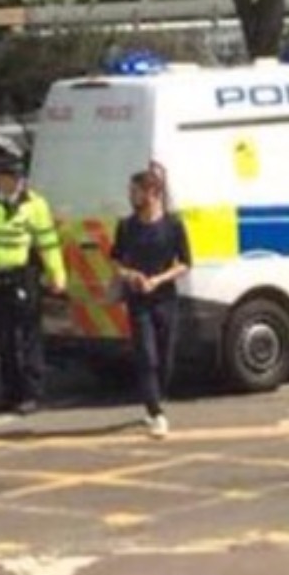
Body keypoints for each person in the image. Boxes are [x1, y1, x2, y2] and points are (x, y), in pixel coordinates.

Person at [0, 156, 66, 415]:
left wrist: (57, 274)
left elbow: (47, 242)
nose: (13, 183)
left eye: (17, 178)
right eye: (7, 177)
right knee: (3, 340)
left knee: (29, 337)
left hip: (22, 277)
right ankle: (10, 392)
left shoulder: (34, 204)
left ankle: (31, 393)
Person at [110, 167, 191, 439]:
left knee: (165, 358)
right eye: (131, 191)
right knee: (147, 356)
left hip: (165, 298)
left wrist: (158, 279)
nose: (131, 196)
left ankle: (156, 398)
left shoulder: (173, 225)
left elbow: (186, 263)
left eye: (136, 191)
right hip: (138, 300)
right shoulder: (126, 226)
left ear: (153, 192)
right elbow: (116, 262)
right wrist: (130, 275)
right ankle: (156, 413)